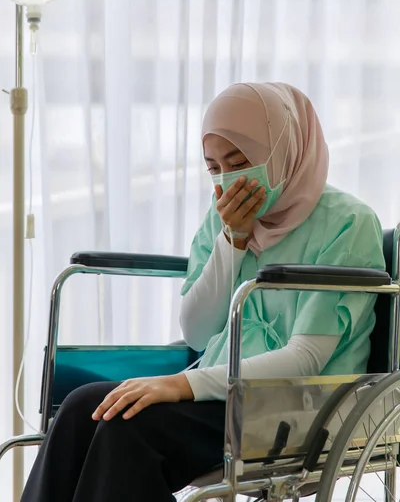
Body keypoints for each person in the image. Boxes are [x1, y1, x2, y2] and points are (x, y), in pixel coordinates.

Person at [21, 82, 385, 501]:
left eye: (240, 160)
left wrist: (178, 385)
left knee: (129, 430)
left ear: (281, 148)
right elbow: (198, 333)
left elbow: (305, 359)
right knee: (81, 408)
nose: (228, 179)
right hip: (220, 389)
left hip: (295, 403)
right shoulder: (223, 218)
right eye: (214, 168)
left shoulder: (349, 224)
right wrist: (233, 240)